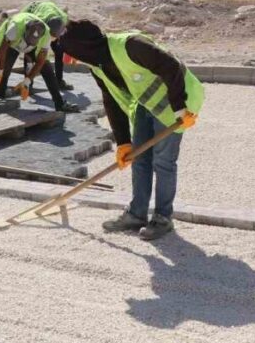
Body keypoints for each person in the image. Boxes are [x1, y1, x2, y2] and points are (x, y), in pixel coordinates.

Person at [60, 20, 203, 240]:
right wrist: (123, 141)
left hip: (175, 106)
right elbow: (112, 100)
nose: (75, 59)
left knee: (163, 162)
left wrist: (180, 108)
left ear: (84, 47)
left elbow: (171, 66)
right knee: (140, 158)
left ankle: (163, 218)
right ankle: (137, 214)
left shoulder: (131, 45)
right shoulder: (98, 66)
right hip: (146, 105)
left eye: (74, 53)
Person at [0, 10, 79, 113]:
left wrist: (27, 81)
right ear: (25, 32)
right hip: (14, 44)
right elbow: (3, 49)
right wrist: (0, 70)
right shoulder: (15, 27)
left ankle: (60, 104)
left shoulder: (46, 35)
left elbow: (40, 62)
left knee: (48, 69)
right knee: (5, 69)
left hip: (34, 46)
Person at [23, 0, 74, 91]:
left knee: (59, 50)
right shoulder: (36, 21)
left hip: (51, 23)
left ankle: (59, 81)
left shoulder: (63, 19)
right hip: (37, 22)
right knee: (30, 52)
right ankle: (28, 84)